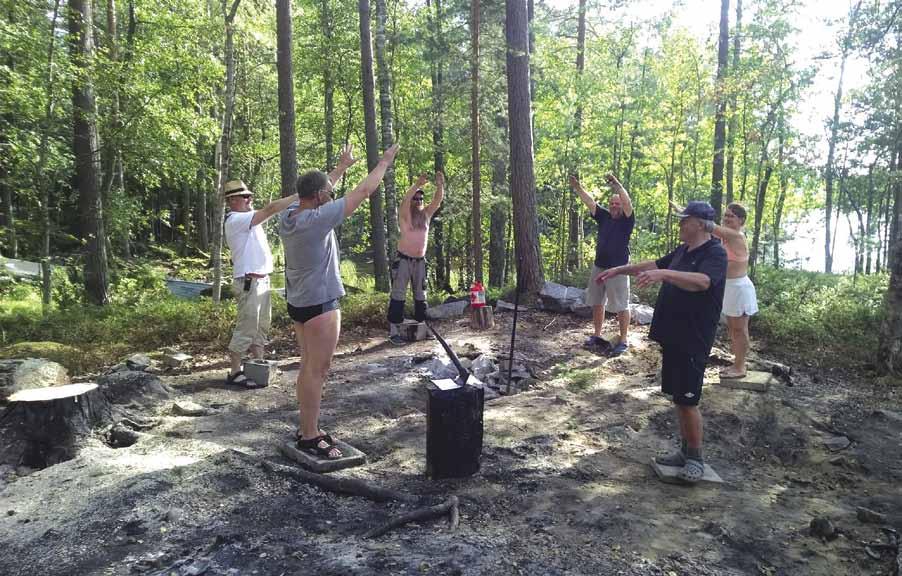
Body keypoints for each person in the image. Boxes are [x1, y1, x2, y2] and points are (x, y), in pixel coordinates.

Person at [280, 143, 400, 459]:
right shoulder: (317, 219)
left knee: (308, 367)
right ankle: (309, 435)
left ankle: (308, 426)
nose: (332, 194)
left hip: (300, 303)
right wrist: (384, 161)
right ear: (319, 197)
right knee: (317, 370)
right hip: (320, 304)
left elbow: (319, 187)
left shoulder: (290, 215)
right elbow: (363, 191)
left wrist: (341, 166)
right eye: (328, 192)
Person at [596, 201, 727, 483]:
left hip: (694, 336)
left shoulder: (714, 252)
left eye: (684, 220)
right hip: (673, 333)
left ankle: (696, 459)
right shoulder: (683, 250)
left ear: (700, 224)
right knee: (679, 397)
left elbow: (703, 282)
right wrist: (618, 270)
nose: (680, 224)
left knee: (688, 399)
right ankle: (684, 451)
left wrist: (664, 274)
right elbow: (653, 265)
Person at [223, 179, 299, 388]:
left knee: (261, 327)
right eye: (245, 197)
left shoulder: (246, 218)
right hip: (249, 282)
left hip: (261, 281)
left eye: (250, 196)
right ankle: (234, 371)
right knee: (246, 327)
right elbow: (272, 208)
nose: (250, 199)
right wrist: (298, 194)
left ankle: (258, 364)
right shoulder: (236, 219)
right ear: (232, 200)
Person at [569, 173, 635, 355]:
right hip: (599, 266)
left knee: (622, 305)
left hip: (619, 268)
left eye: (617, 204)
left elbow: (628, 203)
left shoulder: (627, 220)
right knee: (597, 302)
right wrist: (577, 187)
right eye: (612, 203)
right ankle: (597, 335)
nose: (615, 206)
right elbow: (590, 202)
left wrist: (617, 186)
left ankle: (623, 339)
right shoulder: (604, 216)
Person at [387, 171, 445, 345]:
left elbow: (437, 201)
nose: (419, 201)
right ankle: (394, 331)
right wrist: (417, 185)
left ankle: (424, 327)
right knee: (398, 295)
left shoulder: (426, 215)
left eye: (421, 199)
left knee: (421, 295)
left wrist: (440, 185)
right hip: (404, 260)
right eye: (416, 198)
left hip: (420, 262)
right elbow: (404, 201)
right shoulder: (405, 215)